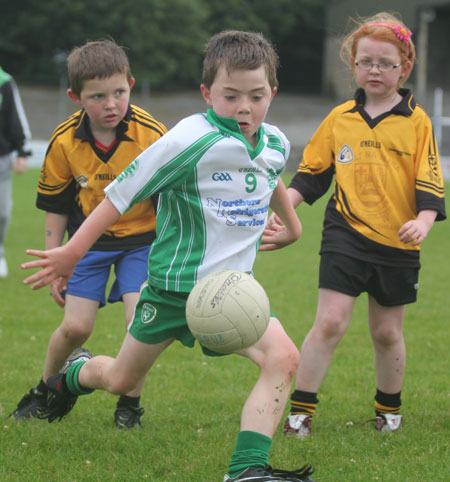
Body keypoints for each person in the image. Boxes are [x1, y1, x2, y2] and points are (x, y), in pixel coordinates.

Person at [21, 30, 314, 482]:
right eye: (230, 95)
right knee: (120, 379)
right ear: (206, 93)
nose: (244, 108)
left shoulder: (273, 140)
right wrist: (72, 252)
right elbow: (120, 195)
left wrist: (292, 226)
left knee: (284, 359)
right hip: (173, 291)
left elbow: (269, 171)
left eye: (256, 96)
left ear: (272, 92)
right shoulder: (188, 140)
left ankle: (246, 471)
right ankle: (77, 371)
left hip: (231, 295)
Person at [263, 12, 446, 439]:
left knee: (386, 332)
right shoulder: (340, 118)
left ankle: (389, 415)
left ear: (404, 67)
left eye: (385, 62)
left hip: (398, 243)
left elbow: (430, 182)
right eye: (366, 62)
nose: (375, 70)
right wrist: (283, 206)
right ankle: (299, 416)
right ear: (354, 66)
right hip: (344, 234)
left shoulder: (417, 122)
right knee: (330, 322)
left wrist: (422, 222)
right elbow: (311, 175)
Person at [10, 40, 167, 429]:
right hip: (87, 245)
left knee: (139, 325)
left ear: (131, 84)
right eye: (97, 96)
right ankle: (45, 389)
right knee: (76, 328)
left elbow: (173, 199)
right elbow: (56, 205)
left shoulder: (153, 135)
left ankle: (129, 406)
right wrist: (55, 262)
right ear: (75, 97)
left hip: (142, 244)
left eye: (119, 92)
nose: (111, 104)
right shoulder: (64, 140)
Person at [0, 66, 32, 278]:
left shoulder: (4, 82)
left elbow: (15, 116)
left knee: (2, 212)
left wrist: (23, 151)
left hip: (1, 158)